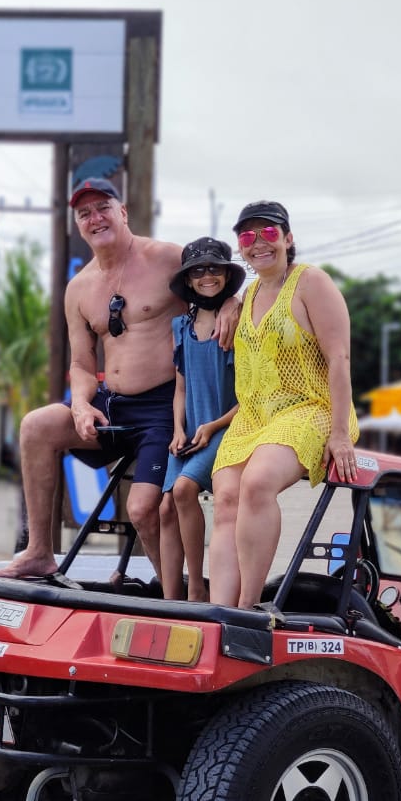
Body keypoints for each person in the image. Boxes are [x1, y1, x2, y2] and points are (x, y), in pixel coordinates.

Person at [0, 178, 238, 581]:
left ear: (123, 212)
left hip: (164, 407)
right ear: (77, 225)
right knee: (37, 425)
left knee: (142, 510)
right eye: (84, 213)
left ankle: (176, 592)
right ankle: (38, 552)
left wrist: (231, 302)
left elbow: (215, 280)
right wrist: (82, 404)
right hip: (111, 404)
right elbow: (84, 364)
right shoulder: (79, 288)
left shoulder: (166, 258)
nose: (95, 218)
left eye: (103, 207)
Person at [208, 201, 359, 608]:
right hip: (255, 417)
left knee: (257, 484)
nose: (258, 243)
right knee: (225, 498)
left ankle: (248, 610)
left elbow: (339, 357)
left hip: (312, 407)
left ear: (288, 239)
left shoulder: (311, 282)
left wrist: (341, 434)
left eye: (269, 233)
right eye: (247, 236)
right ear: (240, 247)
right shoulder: (250, 292)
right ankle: (218, 610)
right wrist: (228, 302)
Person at [157, 238, 243, 601]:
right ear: (188, 279)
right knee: (164, 510)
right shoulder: (182, 326)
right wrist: (178, 429)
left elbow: (250, 398)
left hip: (227, 426)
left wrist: (213, 426)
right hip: (192, 431)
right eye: (198, 270)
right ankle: (169, 599)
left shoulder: (238, 322)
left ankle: (196, 587)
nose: (207, 276)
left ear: (226, 274)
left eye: (214, 268)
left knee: (183, 490)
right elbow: (180, 389)